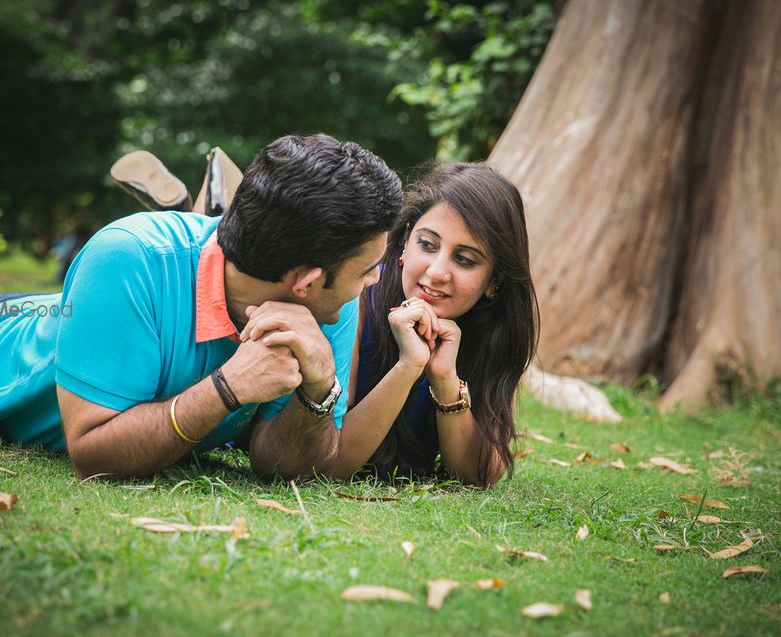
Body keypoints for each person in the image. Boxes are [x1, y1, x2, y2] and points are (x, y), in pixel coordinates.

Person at [0, 134, 403, 481]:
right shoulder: (129, 255)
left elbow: (283, 467)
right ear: (306, 281)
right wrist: (228, 388)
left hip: (65, 317)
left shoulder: (327, 305)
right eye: (367, 270)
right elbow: (93, 456)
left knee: (5, 303)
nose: (376, 280)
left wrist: (316, 392)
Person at [114, 155, 538, 488]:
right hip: (256, 428)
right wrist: (408, 368)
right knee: (238, 251)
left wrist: (444, 379)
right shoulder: (353, 296)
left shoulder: (493, 330)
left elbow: (480, 475)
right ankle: (206, 213)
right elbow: (333, 459)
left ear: (493, 282)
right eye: (427, 244)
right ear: (403, 243)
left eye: (465, 260)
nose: (436, 272)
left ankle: (203, 208)